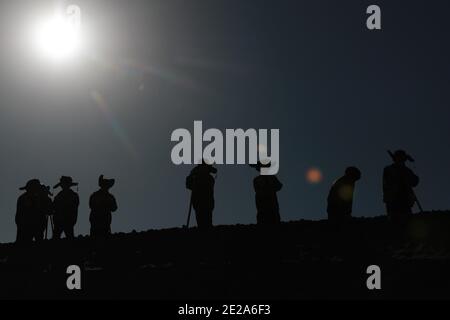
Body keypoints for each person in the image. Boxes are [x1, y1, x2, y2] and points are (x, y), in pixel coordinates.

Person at [383, 150, 419, 222]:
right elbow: (386, 185)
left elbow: (415, 182)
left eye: (402, 158)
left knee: (406, 220)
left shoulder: (407, 171)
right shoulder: (389, 169)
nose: (400, 160)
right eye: (399, 158)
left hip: (405, 200)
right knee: (395, 220)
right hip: (393, 200)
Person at [16, 179, 53, 243]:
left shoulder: (39, 197)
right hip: (26, 226)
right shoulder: (24, 198)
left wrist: (45, 197)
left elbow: (49, 211)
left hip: (36, 226)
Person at [186, 161, 217, 229]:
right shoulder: (196, 174)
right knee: (201, 216)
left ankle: (206, 229)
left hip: (206, 200)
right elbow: (188, 184)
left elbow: (214, 171)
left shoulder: (209, 178)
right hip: (199, 200)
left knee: (206, 216)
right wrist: (193, 178)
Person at [251, 161, 283, 225]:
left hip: (272, 202)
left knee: (274, 218)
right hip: (262, 203)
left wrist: (270, 189)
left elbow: (279, 186)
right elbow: (257, 190)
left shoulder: (271, 177)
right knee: (263, 217)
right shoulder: (257, 180)